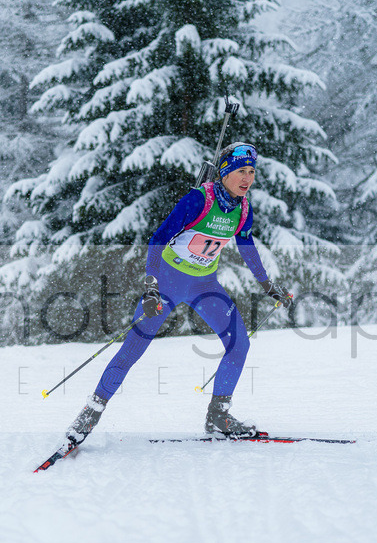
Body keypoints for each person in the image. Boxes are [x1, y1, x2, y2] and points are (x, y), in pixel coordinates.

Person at [65, 142, 293, 444]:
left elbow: (247, 248)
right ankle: (89, 415)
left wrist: (267, 285)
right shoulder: (199, 200)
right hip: (169, 283)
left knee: (238, 344)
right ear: (224, 172)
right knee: (132, 350)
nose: (247, 178)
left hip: (205, 285)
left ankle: (218, 417)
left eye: (251, 172)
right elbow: (159, 238)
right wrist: (151, 288)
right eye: (241, 171)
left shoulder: (243, 208)